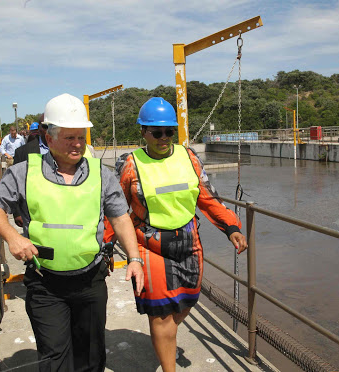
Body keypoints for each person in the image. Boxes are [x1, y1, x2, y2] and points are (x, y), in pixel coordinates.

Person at [0, 93, 144, 372]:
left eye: (81, 137)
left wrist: (134, 258)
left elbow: (119, 218)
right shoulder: (24, 172)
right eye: (69, 137)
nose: (77, 144)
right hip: (46, 284)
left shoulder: (101, 174)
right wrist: (13, 236)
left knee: (91, 358)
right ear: (49, 137)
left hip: (90, 280)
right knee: (55, 358)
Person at [104, 97, 248, 372]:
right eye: (156, 132)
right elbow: (116, 208)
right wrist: (106, 244)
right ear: (143, 132)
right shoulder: (131, 164)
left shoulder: (189, 157)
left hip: (189, 242)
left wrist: (232, 227)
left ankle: (164, 335)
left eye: (170, 131)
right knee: (160, 315)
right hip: (150, 245)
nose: (164, 138)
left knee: (188, 300)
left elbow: (207, 198)